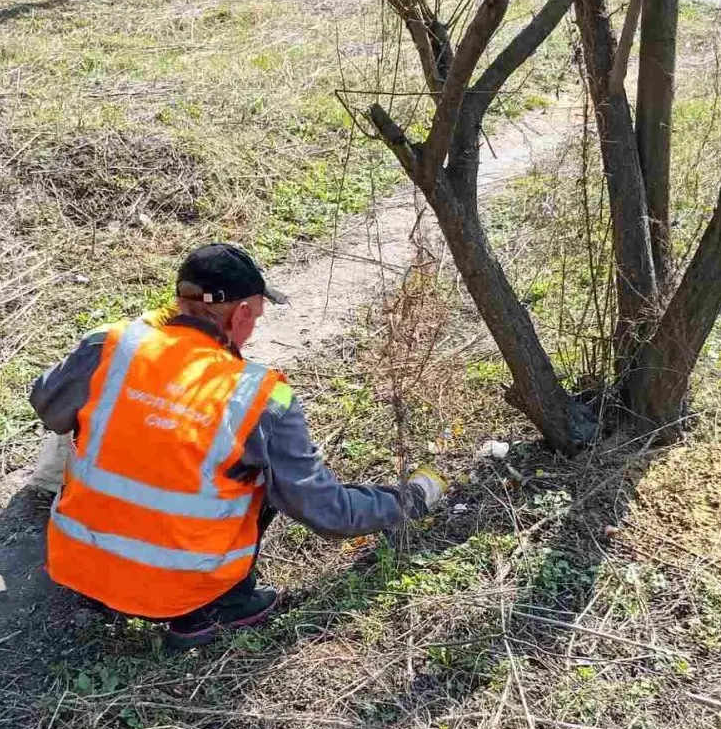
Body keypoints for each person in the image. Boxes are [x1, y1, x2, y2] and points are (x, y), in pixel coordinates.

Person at [29, 243, 446, 648]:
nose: (254, 327)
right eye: (257, 316)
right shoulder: (259, 396)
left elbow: (49, 408)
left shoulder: (111, 344)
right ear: (241, 313)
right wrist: (408, 499)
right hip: (177, 595)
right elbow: (327, 511)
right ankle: (213, 609)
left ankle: (107, 584)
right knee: (263, 473)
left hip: (78, 570)